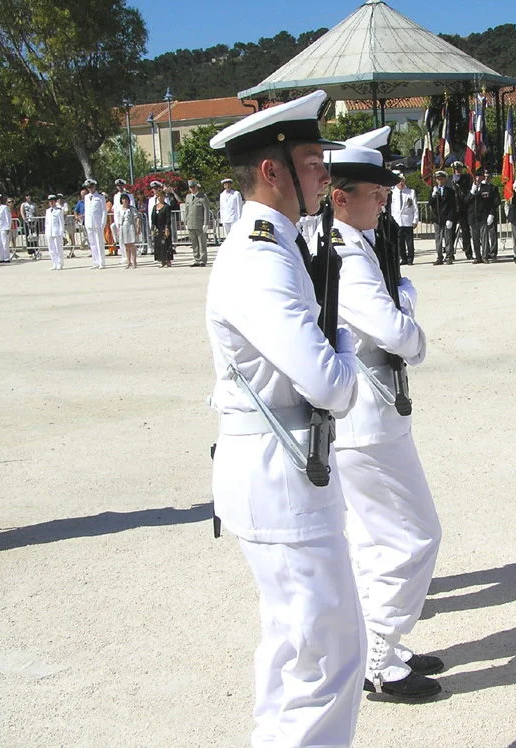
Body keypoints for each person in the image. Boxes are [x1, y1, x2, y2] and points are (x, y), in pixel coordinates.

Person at [206, 90, 365, 746]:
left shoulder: (275, 246)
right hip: (282, 479)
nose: (324, 175)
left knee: (291, 651)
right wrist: (346, 329)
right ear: (271, 171)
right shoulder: (262, 256)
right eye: (309, 160)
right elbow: (331, 383)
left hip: (275, 471)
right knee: (326, 662)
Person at [326, 142, 443, 701]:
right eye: (373, 194)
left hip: (371, 409)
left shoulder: (358, 244)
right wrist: (412, 318)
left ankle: (386, 650)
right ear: (340, 198)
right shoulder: (346, 255)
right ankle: (380, 656)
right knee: (416, 536)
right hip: (367, 416)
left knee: (375, 541)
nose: (382, 201)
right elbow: (395, 332)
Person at [471, 168, 500, 262]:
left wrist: (491, 213)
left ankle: (493, 252)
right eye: (485, 176)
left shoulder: (493, 188)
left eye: (488, 177)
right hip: (481, 215)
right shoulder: (480, 187)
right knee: (484, 236)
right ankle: (485, 253)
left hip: (490, 214)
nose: (487, 178)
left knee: (492, 234)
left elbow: (495, 201)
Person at [390, 171, 417, 265]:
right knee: (399, 242)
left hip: (408, 220)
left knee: (409, 242)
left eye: (402, 181)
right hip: (397, 220)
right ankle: (403, 258)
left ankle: (410, 258)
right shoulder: (392, 193)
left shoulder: (410, 192)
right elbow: (392, 208)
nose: (401, 183)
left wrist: (415, 219)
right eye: (399, 181)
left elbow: (415, 207)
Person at [184, 179, 213, 267]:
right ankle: (196, 259)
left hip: (200, 223)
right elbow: (187, 210)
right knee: (194, 243)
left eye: (193, 187)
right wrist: (185, 222)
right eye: (190, 187)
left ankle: (203, 260)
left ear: (197, 187)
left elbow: (206, 211)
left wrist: (206, 223)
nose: (192, 189)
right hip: (191, 223)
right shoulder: (188, 197)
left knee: (202, 243)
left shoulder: (203, 197)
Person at [429, 170, 455, 265]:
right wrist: (433, 195)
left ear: (445, 179)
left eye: (441, 178)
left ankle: (449, 256)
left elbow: (452, 206)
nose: (439, 180)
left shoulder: (450, 191)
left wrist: (450, 218)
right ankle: (439, 257)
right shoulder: (433, 190)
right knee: (438, 239)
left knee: (448, 238)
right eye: (438, 179)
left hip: (447, 217)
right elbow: (430, 203)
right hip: (437, 218)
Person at [450, 161, 474, 260]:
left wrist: (459, 181)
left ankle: (468, 252)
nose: (457, 171)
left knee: (465, 232)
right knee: (451, 233)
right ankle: (450, 253)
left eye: (459, 169)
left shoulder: (465, 179)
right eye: (456, 169)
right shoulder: (449, 180)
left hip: (463, 207)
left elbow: (467, 191)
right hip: (453, 209)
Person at [82, 179, 107, 269]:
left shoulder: (100, 197)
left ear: (95, 187)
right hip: (89, 223)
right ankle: (95, 261)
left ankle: (101, 262)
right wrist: (85, 222)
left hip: (98, 223)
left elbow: (104, 211)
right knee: (92, 243)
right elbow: (87, 210)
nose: (90, 189)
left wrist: (103, 222)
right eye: (89, 188)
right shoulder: (86, 197)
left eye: (91, 187)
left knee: (99, 242)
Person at [117, 193, 141, 269]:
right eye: (123, 199)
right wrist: (118, 229)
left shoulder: (132, 209)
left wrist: (138, 226)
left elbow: (137, 217)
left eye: (126, 199)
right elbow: (119, 220)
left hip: (130, 226)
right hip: (123, 227)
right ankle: (128, 261)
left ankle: (134, 261)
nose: (125, 201)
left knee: (132, 244)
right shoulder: (120, 209)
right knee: (126, 245)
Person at [150, 191, 173, 267]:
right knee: (159, 245)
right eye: (159, 196)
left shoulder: (167, 207)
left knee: (166, 244)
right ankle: (162, 261)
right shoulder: (155, 207)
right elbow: (153, 218)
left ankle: (168, 260)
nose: (160, 198)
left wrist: (167, 228)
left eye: (162, 196)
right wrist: (153, 228)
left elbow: (168, 219)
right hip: (157, 228)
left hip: (164, 227)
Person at [44, 195, 66, 270]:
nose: (51, 203)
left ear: (55, 202)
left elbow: (61, 223)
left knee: (58, 248)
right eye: (50, 202)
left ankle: (60, 263)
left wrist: (61, 232)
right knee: (51, 249)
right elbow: (46, 223)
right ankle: (54, 263)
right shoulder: (47, 211)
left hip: (56, 232)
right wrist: (46, 232)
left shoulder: (59, 210)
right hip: (49, 232)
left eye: (52, 201)